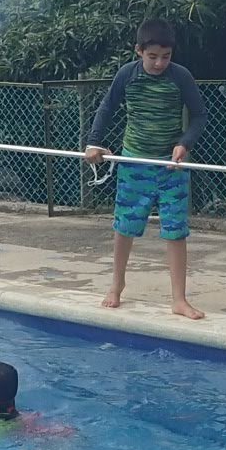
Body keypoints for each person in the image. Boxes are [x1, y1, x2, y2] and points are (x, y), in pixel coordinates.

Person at [82, 17, 208, 318]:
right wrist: (93, 143)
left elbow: (200, 115)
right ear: (139, 51)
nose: (159, 63)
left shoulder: (181, 77)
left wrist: (184, 143)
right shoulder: (127, 75)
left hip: (171, 165)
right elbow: (106, 108)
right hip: (134, 161)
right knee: (124, 225)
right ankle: (116, 285)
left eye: (166, 57)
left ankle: (179, 298)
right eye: (152, 57)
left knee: (175, 229)